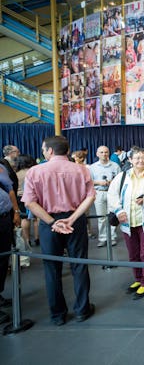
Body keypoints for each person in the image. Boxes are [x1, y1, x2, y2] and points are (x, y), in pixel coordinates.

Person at [22, 136, 96, 326]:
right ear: (67, 150)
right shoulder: (81, 170)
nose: (43, 152)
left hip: (49, 224)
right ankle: (82, 309)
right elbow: (90, 197)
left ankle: (57, 315)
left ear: (50, 151)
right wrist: (73, 217)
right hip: (75, 221)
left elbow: (30, 202)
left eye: (44, 150)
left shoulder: (35, 171)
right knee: (79, 265)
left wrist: (52, 222)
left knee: (51, 269)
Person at [108, 148, 144, 300]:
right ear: (130, 160)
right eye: (137, 158)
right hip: (128, 221)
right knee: (133, 253)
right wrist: (118, 210)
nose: (140, 161)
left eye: (143, 157)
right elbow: (112, 194)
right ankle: (138, 279)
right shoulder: (123, 176)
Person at [0, 161, 21, 322]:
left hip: (4, 218)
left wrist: (15, 211)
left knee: (2, 260)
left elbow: (10, 189)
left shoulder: (1, 167)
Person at [89, 146, 121, 247]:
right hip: (99, 193)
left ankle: (112, 237)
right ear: (97, 154)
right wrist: (99, 182)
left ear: (109, 153)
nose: (104, 154)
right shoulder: (92, 167)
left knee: (112, 216)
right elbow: (89, 182)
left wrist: (113, 182)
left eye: (106, 152)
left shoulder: (115, 166)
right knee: (101, 217)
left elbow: (120, 180)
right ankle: (103, 238)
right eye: (101, 152)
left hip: (112, 193)